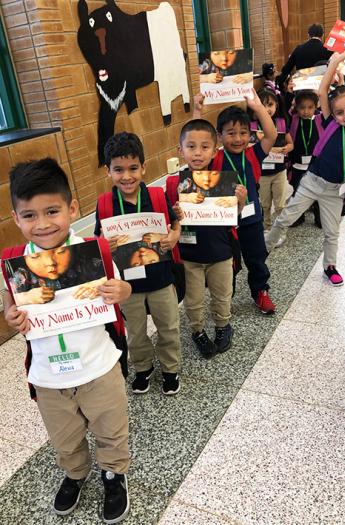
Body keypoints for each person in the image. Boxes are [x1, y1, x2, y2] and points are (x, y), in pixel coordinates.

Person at [2, 158, 132, 523]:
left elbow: (122, 288)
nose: (42, 224)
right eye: (29, 216)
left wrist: (121, 289)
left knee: (111, 427)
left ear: (72, 208)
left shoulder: (96, 253)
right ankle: (75, 473)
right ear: (16, 218)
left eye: (52, 211)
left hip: (99, 366)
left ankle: (113, 471)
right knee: (65, 436)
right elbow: (12, 314)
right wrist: (12, 319)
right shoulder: (15, 266)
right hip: (48, 377)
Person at [265, 51, 345, 286]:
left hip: (335, 190)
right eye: (340, 112)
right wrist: (333, 63)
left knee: (332, 232)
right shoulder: (330, 122)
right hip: (312, 182)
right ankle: (265, 249)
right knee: (285, 219)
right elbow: (322, 92)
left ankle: (330, 267)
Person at [95, 132, 182, 396]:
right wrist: (103, 246)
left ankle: (170, 368)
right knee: (135, 331)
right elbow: (99, 239)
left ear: (143, 167)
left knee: (168, 326)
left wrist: (174, 235)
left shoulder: (156, 196)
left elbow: (174, 225)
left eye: (133, 168)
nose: (127, 176)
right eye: (118, 170)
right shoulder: (105, 204)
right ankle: (143, 368)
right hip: (126, 284)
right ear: (108, 171)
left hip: (161, 278)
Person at [166, 119, 247, 357]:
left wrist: (240, 201)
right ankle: (198, 331)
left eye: (204, 147)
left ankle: (223, 326)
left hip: (220, 252)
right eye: (191, 147)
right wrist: (175, 214)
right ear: (180, 150)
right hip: (189, 255)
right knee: (194, 299)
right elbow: (168, 220)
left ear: (214, 150)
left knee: (223, 294)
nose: (198, 153)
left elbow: (233, 219)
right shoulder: (174, 184)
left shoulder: (225, 181)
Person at [192, 90, 278, 314]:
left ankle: (261, 290)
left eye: (243, 133)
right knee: (227, 263)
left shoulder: (252, 154)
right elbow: (195, 140)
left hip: (251, 218)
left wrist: (258, 107)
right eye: (231, 133)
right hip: (224, 224)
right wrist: (197, 111)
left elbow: (271, 135)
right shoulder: (215, 157)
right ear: (219, 136)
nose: (238, 138)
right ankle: (224, 297)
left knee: (257, 257)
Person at [6, 244, 108, 305]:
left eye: (60, 252)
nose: (50, 262)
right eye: (35, 256)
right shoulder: (23, 276)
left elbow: (113, 274)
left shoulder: (83, 263)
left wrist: (100, 283)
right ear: (25, 259)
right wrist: (26, 297)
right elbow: (9, 296)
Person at [251, 88, 294, 234]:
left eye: (270, 105)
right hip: (262, 173)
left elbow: (290, 143)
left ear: (276, 105)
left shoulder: (281, 123)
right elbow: (251, 147)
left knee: (280, 203)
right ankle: (267, 227)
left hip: (279, 171)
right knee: (265, 204)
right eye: (262, 105)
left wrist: (288, 147)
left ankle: (280, 229)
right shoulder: (253, 126)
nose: (267, 109)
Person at [288, 89, 324, 227]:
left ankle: (320, 217)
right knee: (297, 191)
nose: (306, 111)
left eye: (310, 107)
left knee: (318, 192)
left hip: (315, 165)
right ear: (296, 107)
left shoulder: (320, 119)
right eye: (302, 107)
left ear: (316, 106)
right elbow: (286, 111)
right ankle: (298, 216)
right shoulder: (293, 119)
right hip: (297, 164)